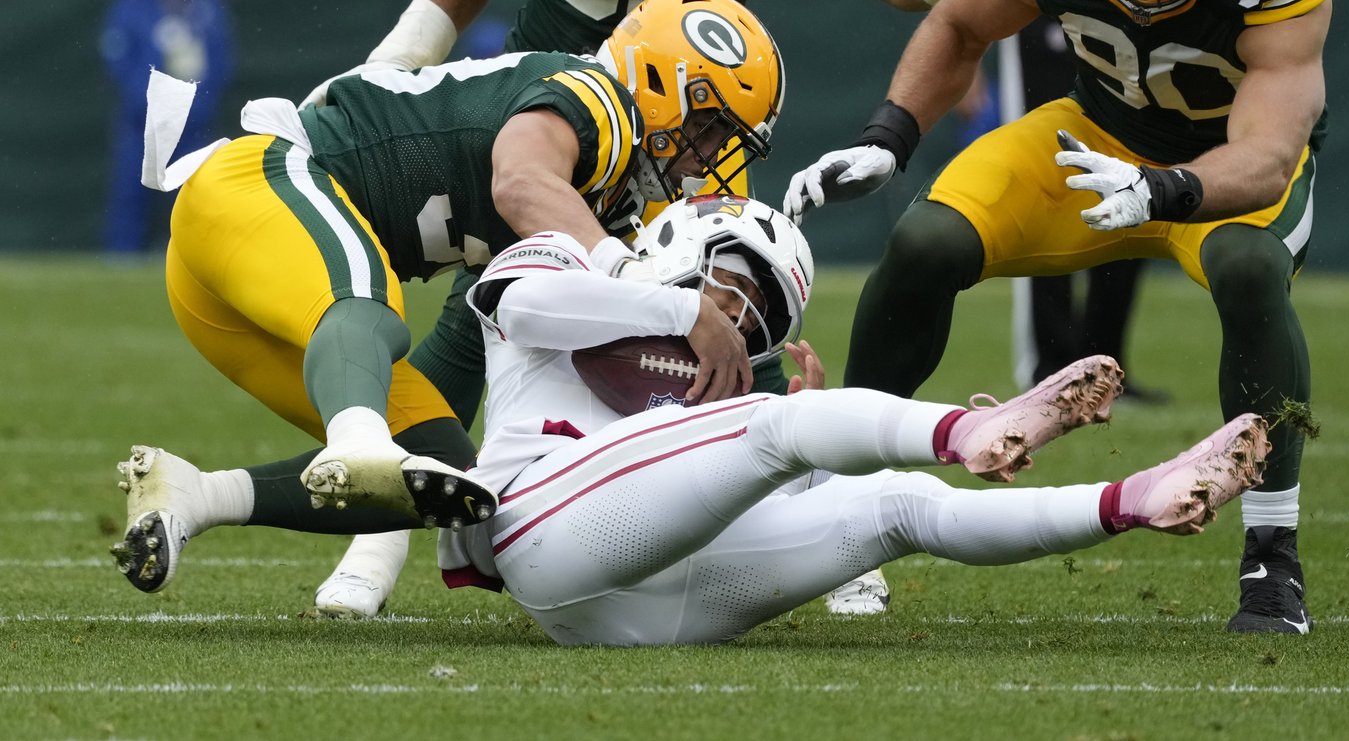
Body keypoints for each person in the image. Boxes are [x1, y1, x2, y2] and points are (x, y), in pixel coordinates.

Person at [304, 0, 1003, 618]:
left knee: (732, 314)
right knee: (483, 308)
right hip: (561, 100)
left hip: (690, 115)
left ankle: (828, 507)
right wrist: (400, 55)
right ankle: (378, 537)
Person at [112, 193, 1272, 645]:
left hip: (654, 611)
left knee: (893, 507)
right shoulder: (564, 260)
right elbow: (513, 303)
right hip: (546, 534)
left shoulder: (716, 376)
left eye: (757, 313)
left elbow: (728, 473)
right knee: (777, 434)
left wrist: (771, 394)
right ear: (675, 245)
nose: (737, 319)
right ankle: (967, 430)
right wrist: (688, 306)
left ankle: (1130, 499)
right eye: (732, 284)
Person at [784, 0, 1331, 635]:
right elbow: (961, 23)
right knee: (927, 242)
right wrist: (888, 138)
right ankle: (846, 504)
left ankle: (1272, 557)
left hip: (1220, 163)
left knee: (1253, 272)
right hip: (1094, 136)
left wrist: (1165, 188)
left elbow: (1268, 151)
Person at [111, 0, 785, 593]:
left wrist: (768, 408)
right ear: (662, 81)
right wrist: (648, 289)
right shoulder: (597, 102)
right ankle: (358, 438)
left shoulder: (604, 203)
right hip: (258, 182)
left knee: (446, 476)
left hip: (223, 294)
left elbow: (497, 342)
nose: (705, 156)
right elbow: (518, 181)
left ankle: (197, 496)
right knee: (369, 305)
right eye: (708, 127)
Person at [957, 0, 1168, 401]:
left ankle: (1107, 361)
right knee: (1041, 197)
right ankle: (1048, 365)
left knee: (1131, 188)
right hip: (1037, 49)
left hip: (1126, 48)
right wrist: (968, 59)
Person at [99, 0, 234, 254]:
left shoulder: (208, 3)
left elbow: (221, 60)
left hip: (193, 123)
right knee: (130, 192)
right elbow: (116, 53)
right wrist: (146, 100)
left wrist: (198, 104)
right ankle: (122, 257)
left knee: (191, 198)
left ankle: (188, 262)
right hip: (141, 122)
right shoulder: (134, 0)